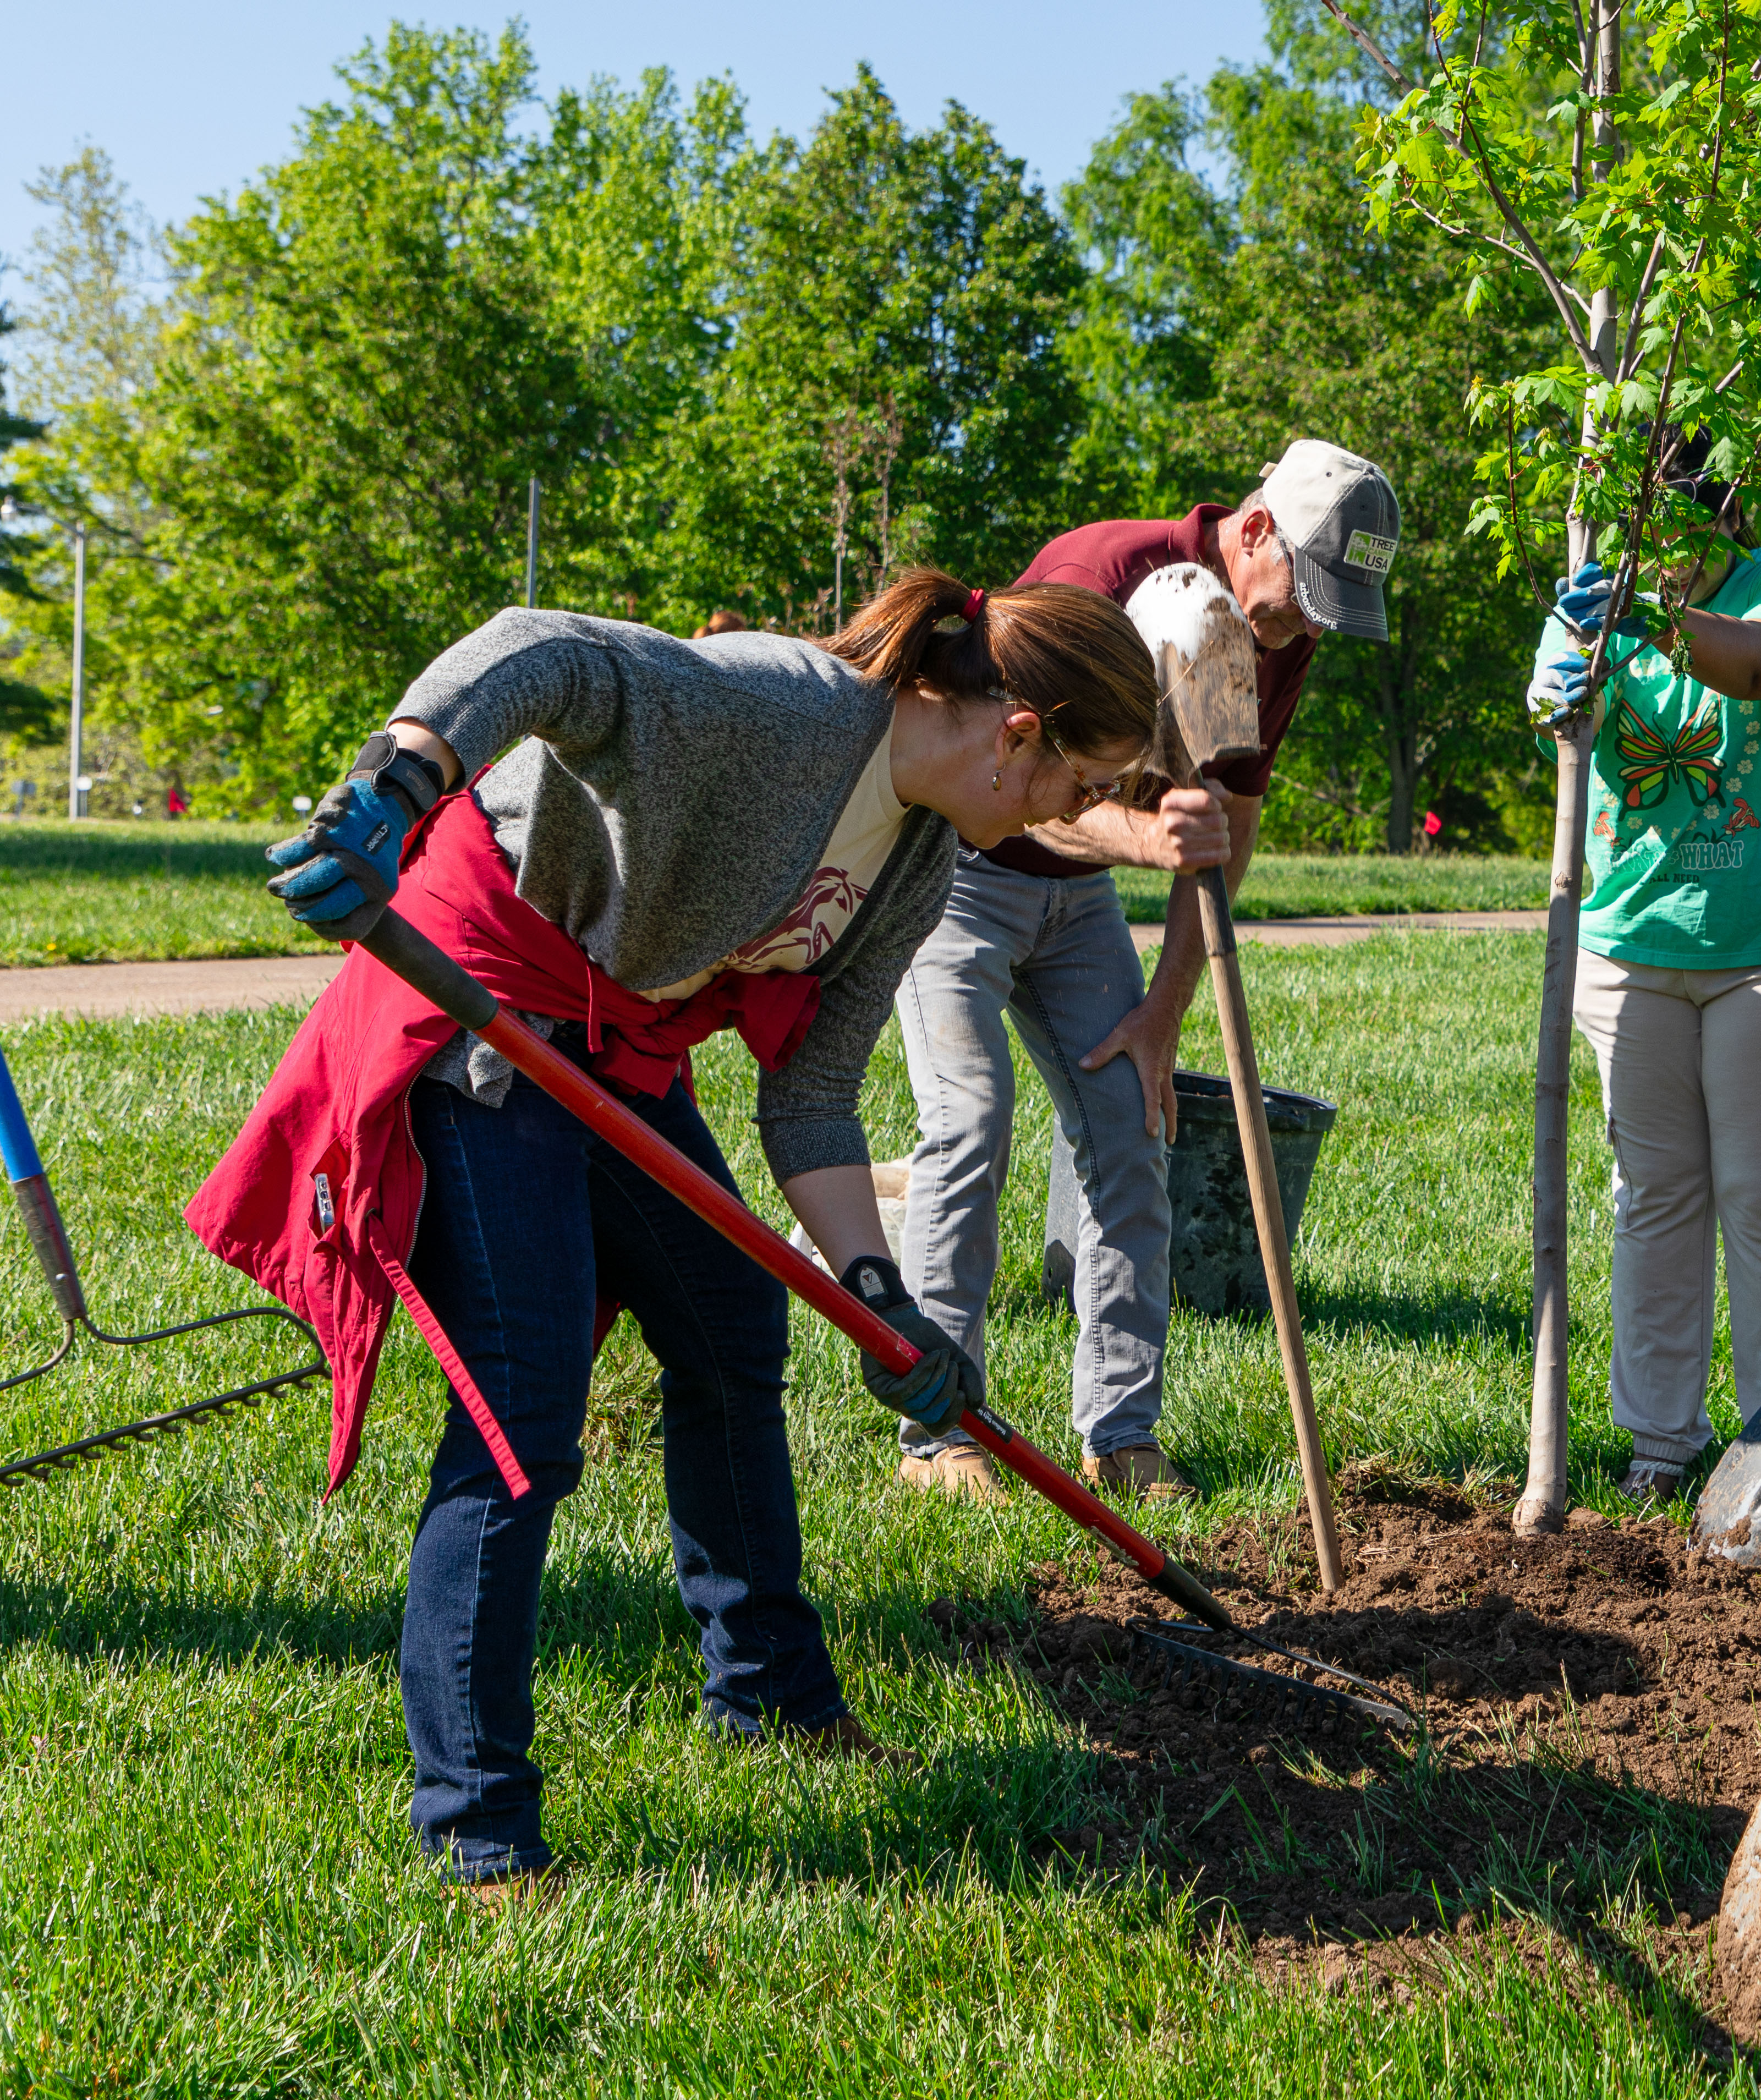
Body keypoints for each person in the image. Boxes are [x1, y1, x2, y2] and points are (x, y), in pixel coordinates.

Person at [188, 571, 1162, 1894]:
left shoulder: (920, 859)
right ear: (1018, 731)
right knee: (523, 1411)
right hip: (482, 1013)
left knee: (729, 1323)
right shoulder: (781, 710)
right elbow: (544, 651)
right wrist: (401, 778)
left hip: (617, 1052)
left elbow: (810, 1097)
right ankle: (478, 1823)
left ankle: (770, 1696)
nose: (1061, 821)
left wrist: (882, 1302)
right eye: (1070, 785)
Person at [888, 441, 1403, 1503]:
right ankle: (939, 1436)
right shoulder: (1097, 579)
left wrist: (1165, 1011)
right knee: (970, 1123)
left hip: (1079, 910)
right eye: (1307, 595)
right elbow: (1016, 786)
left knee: (1133, 1126)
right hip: (967, 871)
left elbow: (1229, 824)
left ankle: (1122, 1436)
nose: (1307, 626)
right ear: (1255, 528)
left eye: (1331, 610)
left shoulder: (1276, 633)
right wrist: (1144, 838)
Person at [1531, 440, 1761, 1504]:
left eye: (1670, 525)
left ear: (1719, 515)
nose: (1651, 550)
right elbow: (1570, 749)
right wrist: (1555, 689)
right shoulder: (1587, 598)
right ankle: (1660, 1444)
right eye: (1633, 529)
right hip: (1629, 947)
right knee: (1655, 1197)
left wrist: (1651, 621)